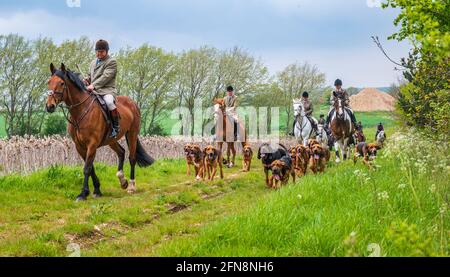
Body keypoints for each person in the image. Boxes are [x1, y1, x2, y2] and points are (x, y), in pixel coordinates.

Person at [83, 39, 119, 138]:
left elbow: (105, 77)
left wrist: (93, 85)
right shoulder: (93, 62)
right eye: (97, 51)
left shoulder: (112, 62)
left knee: (109, 102)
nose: (99, 54)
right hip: (93, 90)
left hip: (106, 90)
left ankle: (115, 127)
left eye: (101, 52)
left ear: (107, 51)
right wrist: (86, 80)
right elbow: (90, 75)